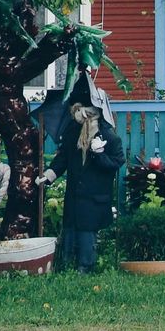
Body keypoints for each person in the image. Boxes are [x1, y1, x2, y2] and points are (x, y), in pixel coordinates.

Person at [36, 79, 124, 273]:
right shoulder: (72, 132)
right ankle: (66, 263)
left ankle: (86, 265)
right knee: (70, 229)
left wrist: (99, 154)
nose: (81, 115)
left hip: (95, 196)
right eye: (77, 110)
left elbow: (116, 163)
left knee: (87, 232)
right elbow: (63, 158)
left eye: (85, 110)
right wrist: (49, 174)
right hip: (75, 195)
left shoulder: (108, 135)